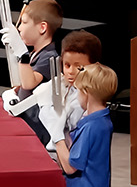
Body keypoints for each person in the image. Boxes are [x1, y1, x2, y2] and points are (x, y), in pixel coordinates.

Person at [2, 0, 63, 141]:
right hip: (27, 122)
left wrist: (22, 54)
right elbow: (20, 82)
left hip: (38, 129)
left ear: (42, 27)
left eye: (24, 22)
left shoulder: (50, 56)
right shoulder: (35, 53)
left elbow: (29, 83)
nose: (19, 28)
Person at [38, 30, 102, 159]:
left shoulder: (88, 99)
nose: (71, 72)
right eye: (67, 65)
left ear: (94, 66)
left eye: (79, 67)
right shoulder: (61, 85)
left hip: (72, 156)